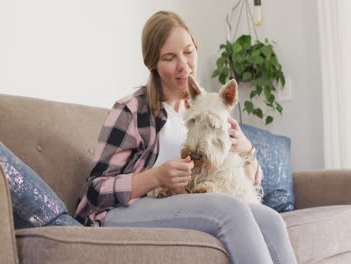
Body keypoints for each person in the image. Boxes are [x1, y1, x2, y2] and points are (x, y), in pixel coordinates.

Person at [75, 10, 297, 264]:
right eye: (170, 57)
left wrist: (246, 150)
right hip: (122, 210)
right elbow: (95, 190)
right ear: (153, 64)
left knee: (271, 220)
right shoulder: (132, 110)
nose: (184, 65)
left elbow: (247, 184)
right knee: (228, 209)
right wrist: (155, 177)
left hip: (187, 201)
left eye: (189, 51)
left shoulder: (206, 108)